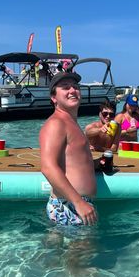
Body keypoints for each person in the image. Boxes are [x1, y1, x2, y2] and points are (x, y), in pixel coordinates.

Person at [39, 71, 98, 226]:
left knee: (64, 250)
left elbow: (72, 160)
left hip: (74, 204)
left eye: (75, 87)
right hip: (70, 204)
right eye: (65, 88)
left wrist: (95, 165)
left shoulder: (70, 122)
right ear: (54, 98)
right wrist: (78, 202)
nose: (72, 90)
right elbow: (47, 167)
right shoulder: (56, 123)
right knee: (82, 251)